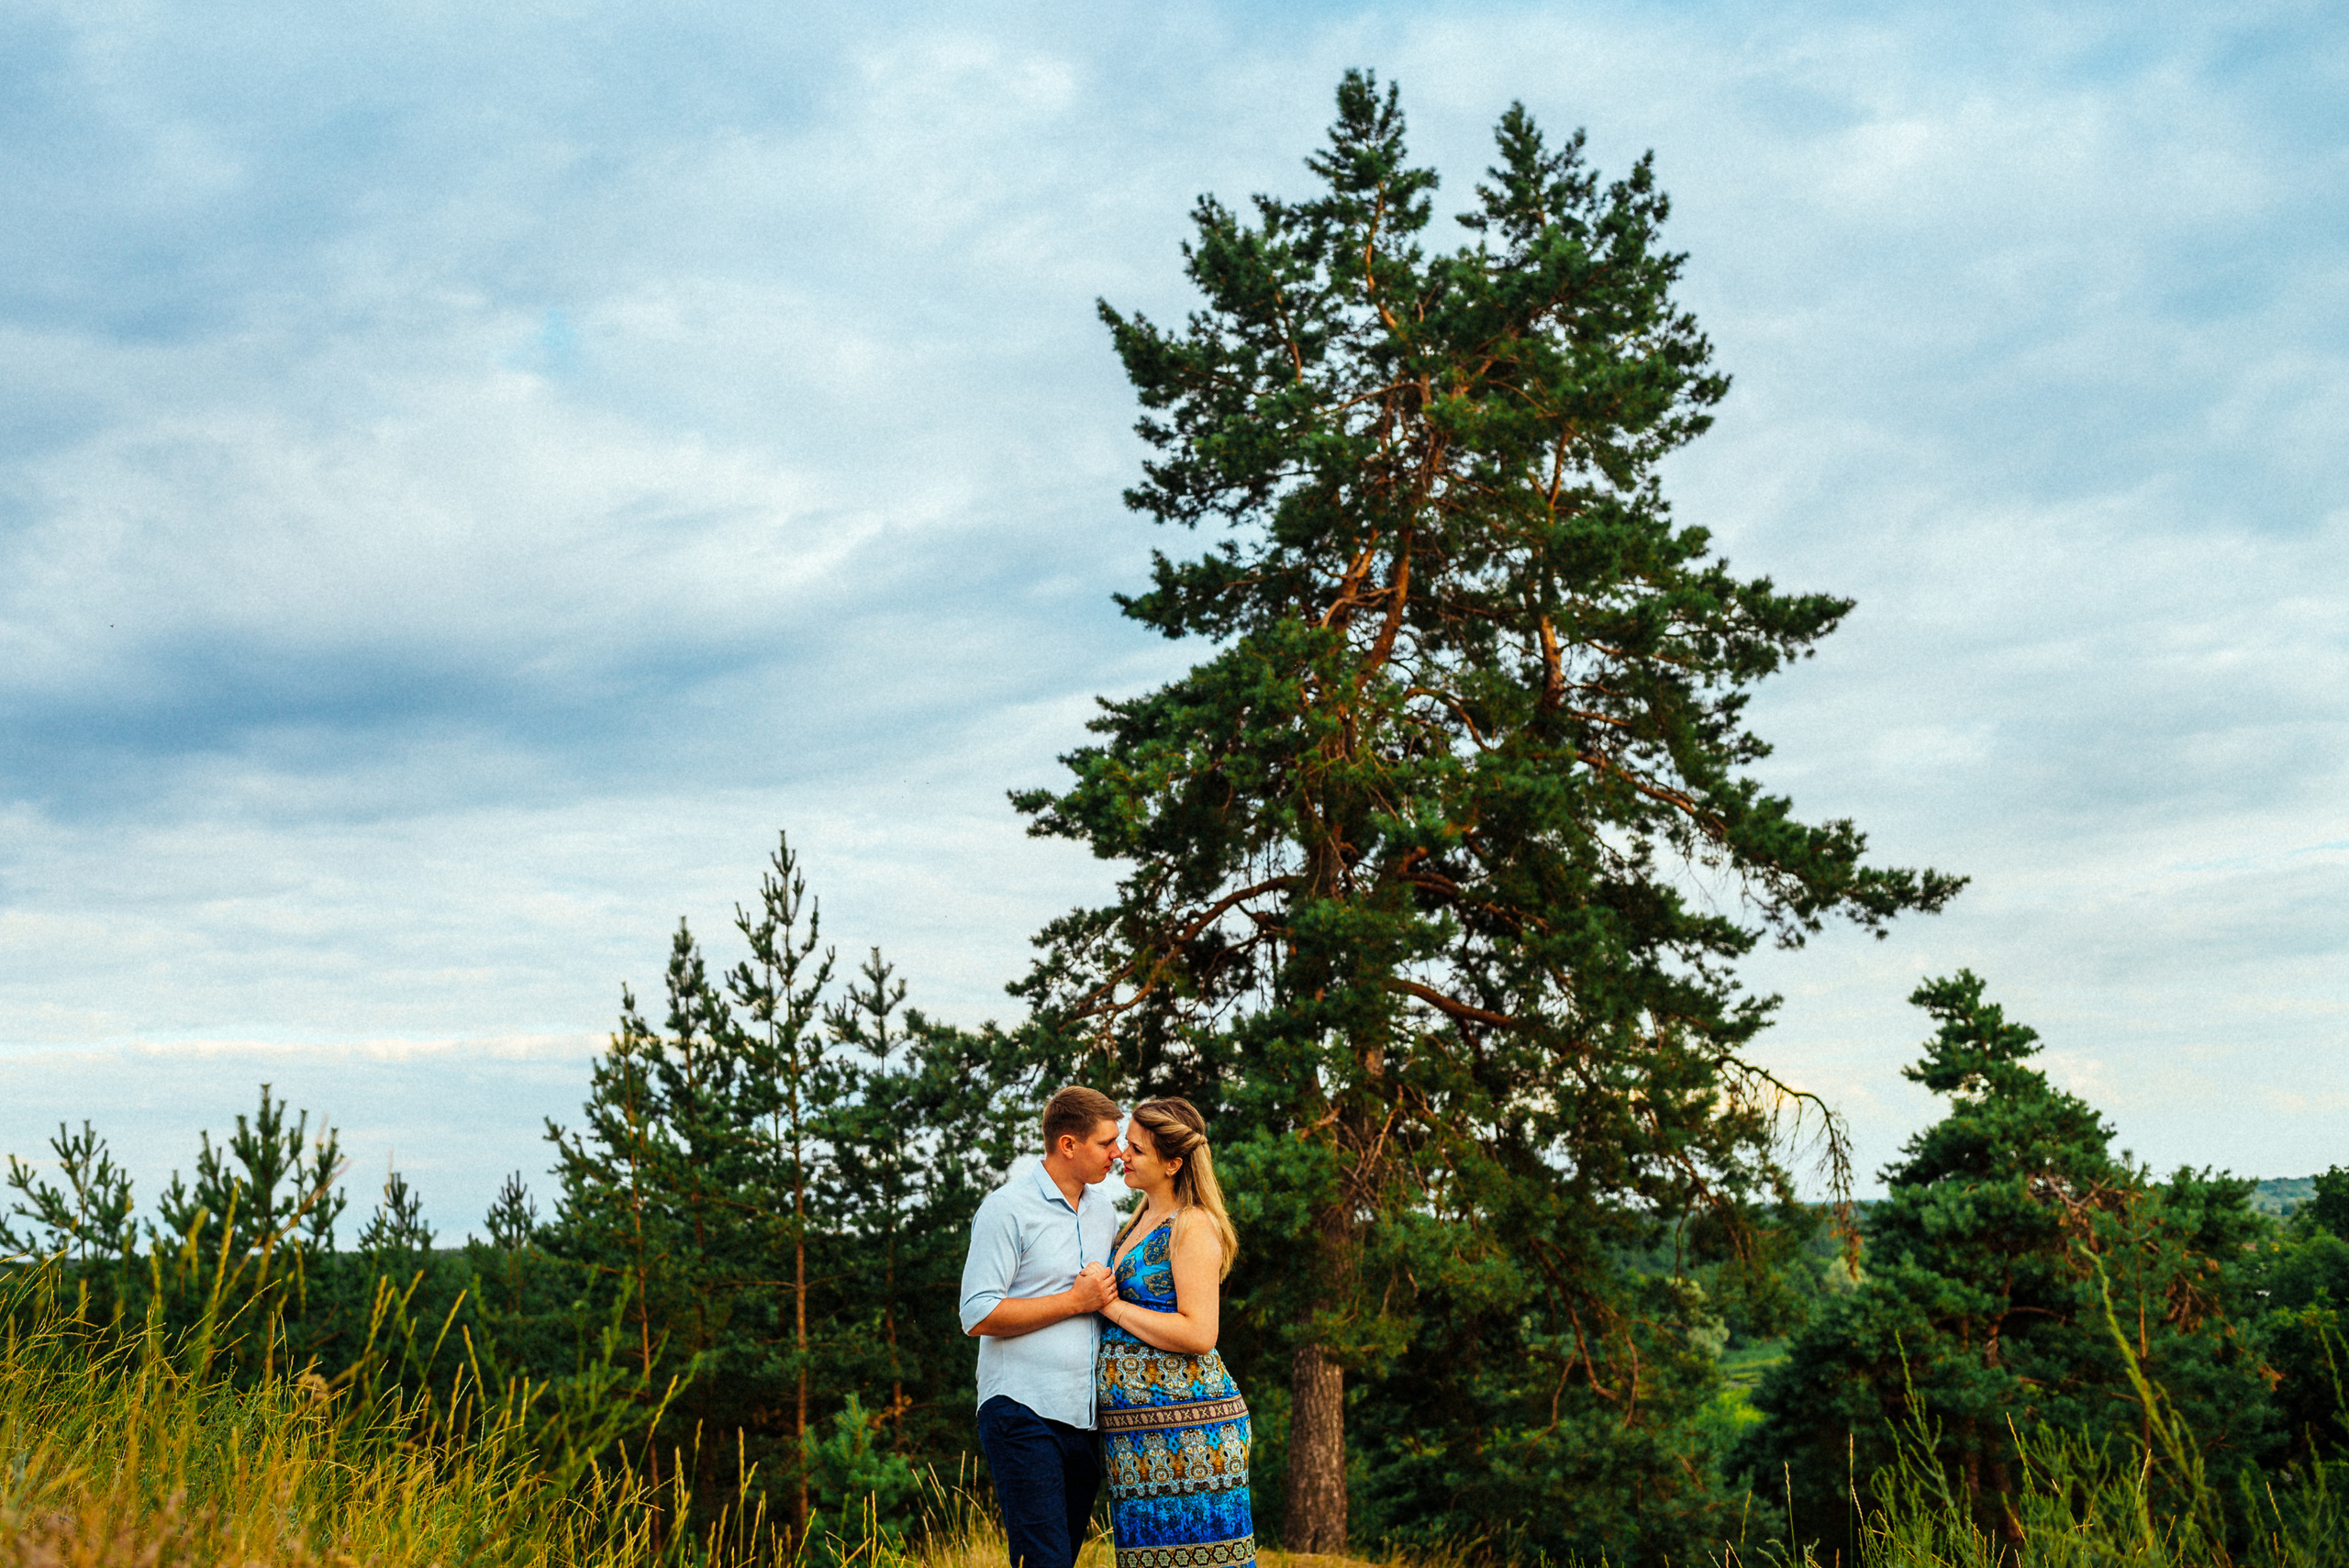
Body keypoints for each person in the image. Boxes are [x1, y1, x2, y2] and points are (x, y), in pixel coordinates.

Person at [959, 1085, 1125, 1568]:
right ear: (1068, 1144)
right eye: (1106, 1142)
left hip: (1084, 1420)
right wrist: (1074, 1302)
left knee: (1059, 1559)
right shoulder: (1006, 1208)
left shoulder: (1104, 1211)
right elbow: (977, 1313)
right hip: (1021, 1409)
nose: (1117, 1153)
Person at [1096, 1097, 1254, 1568]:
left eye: (1137, 1149)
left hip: (1192, 1436)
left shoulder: (1192, 1224)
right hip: (1138, 1440)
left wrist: (1112, 1307)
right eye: (1126, 1144)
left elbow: (1200, 1332)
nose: (1123, 1155)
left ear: (1173, 1164)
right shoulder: (1138, 1219)